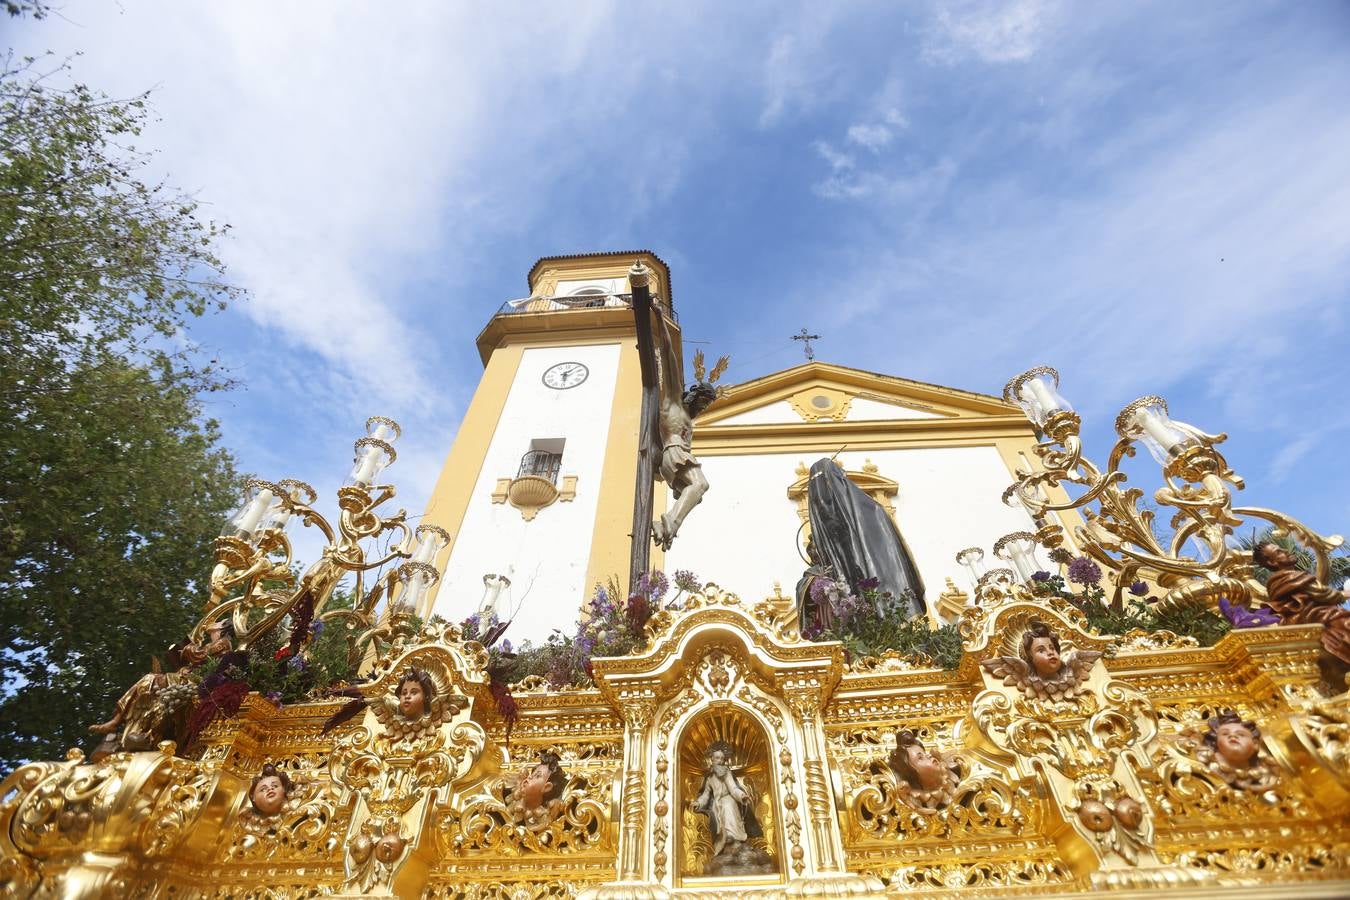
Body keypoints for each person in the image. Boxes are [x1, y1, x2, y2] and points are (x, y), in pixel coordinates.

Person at [89, 619, 234, 751]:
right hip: (186, 678)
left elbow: (197, 655)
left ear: (223, 627)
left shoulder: (222, 643)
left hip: (191, 682)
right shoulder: (215, 643)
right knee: (148, 683)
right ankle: (121, 724)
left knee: (150, 681)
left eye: (219, 622)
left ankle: (142, 733)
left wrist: (186, 648)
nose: (215, 623)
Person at [650, 299, 717, 551]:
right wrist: (660, 318)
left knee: (698, 488)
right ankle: (669, 523)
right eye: (703, 401)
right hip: (673, 451)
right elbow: (669, 358)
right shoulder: (673, 403)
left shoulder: (688, 418)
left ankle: (668, 525)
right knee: (700, 484)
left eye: (707, 405)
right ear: (694, 394)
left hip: (679, 454)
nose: (703, 407)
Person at [1254, 542, 1350, 686]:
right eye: (1279, 551)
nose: (1286, 550)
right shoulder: (1288, 579)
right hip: (1319, 619)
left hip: (1319, 616)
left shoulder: (1291, 578)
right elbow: (1325, 594)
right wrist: (1345, 593)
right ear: (1272, 562)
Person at [693, 743, 762, 858]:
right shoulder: (709, 777)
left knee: (728, 807)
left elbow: (733, 788)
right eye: (717, 758)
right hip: (717, 803)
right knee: (718, 813)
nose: (720, 761)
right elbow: (705, 794)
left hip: (729, 799)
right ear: (712, 759)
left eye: (722, 758)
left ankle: (734, 838)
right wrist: (699, 802)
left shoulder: (726, 773)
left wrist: (741, 796)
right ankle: (725, 843)